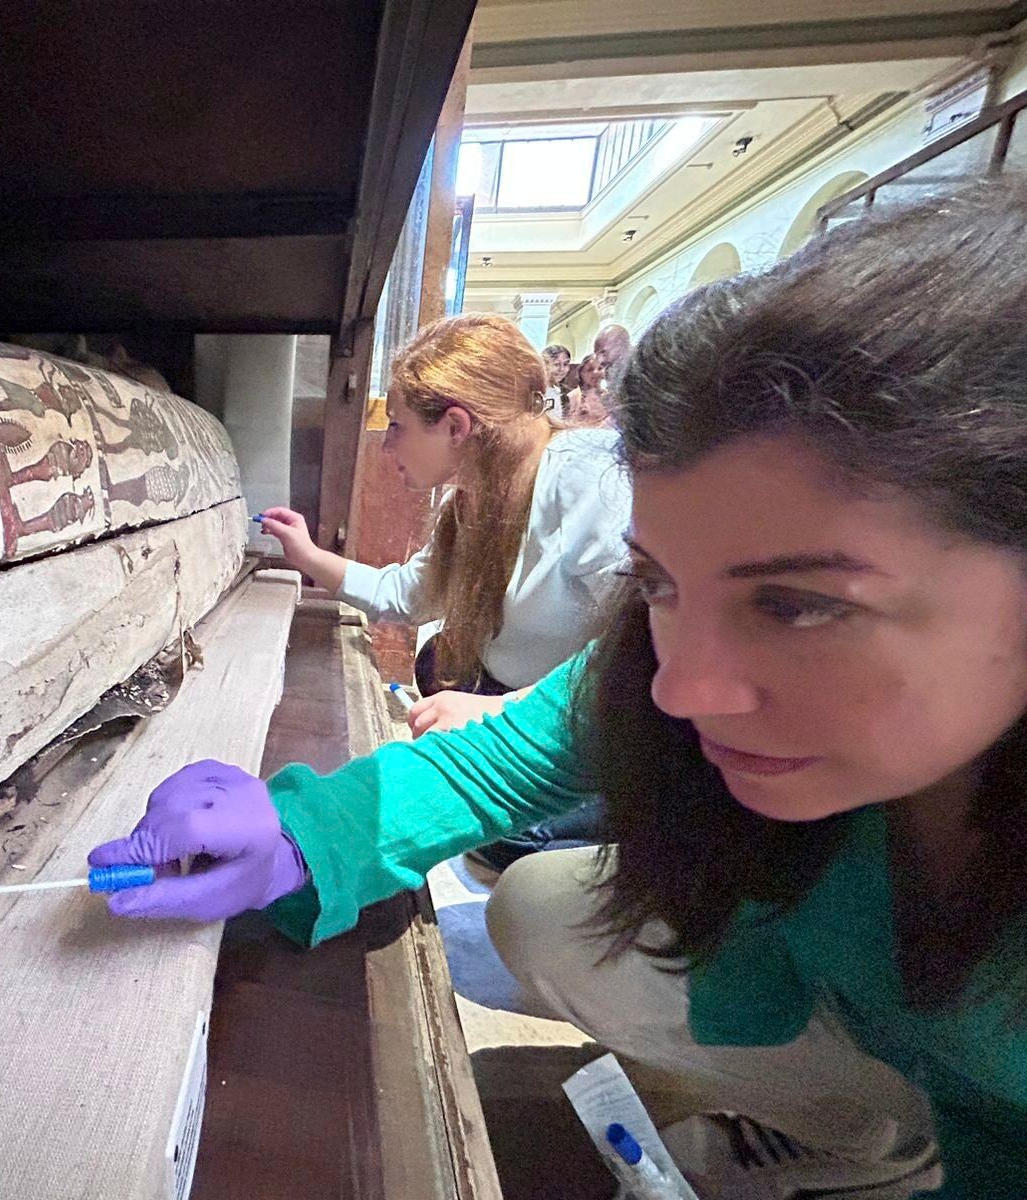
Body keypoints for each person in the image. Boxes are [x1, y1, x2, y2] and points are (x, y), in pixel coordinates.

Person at [93, 184, 1027, 1198]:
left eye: (800, 605)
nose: (681, 690)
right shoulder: (631, 639)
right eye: (660, 584)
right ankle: (862, 1131)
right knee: (543, 906)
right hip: (893, 1019)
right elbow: (503, 757)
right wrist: (295, 838)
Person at [256, 313, 630, 737]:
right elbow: (405, 596)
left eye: (397, 425)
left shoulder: (585, 475)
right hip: (516, 715)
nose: (386, 445)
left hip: (574, 733)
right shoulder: (471, 501)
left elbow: (638, 650)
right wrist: (306, 553)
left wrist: (501, 710)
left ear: (455, 426)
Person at [565, 353, 610, 426]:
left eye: (600, 368)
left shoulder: (609, 395)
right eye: (590, 369)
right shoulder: (572, 397)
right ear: (581, 374)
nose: (596, 372)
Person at [540, 342, 571, 413]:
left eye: (566, 364)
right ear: (544, 364)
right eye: (556, 364)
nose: (561, 369)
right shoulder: (540, 392)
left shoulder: (561, 391)